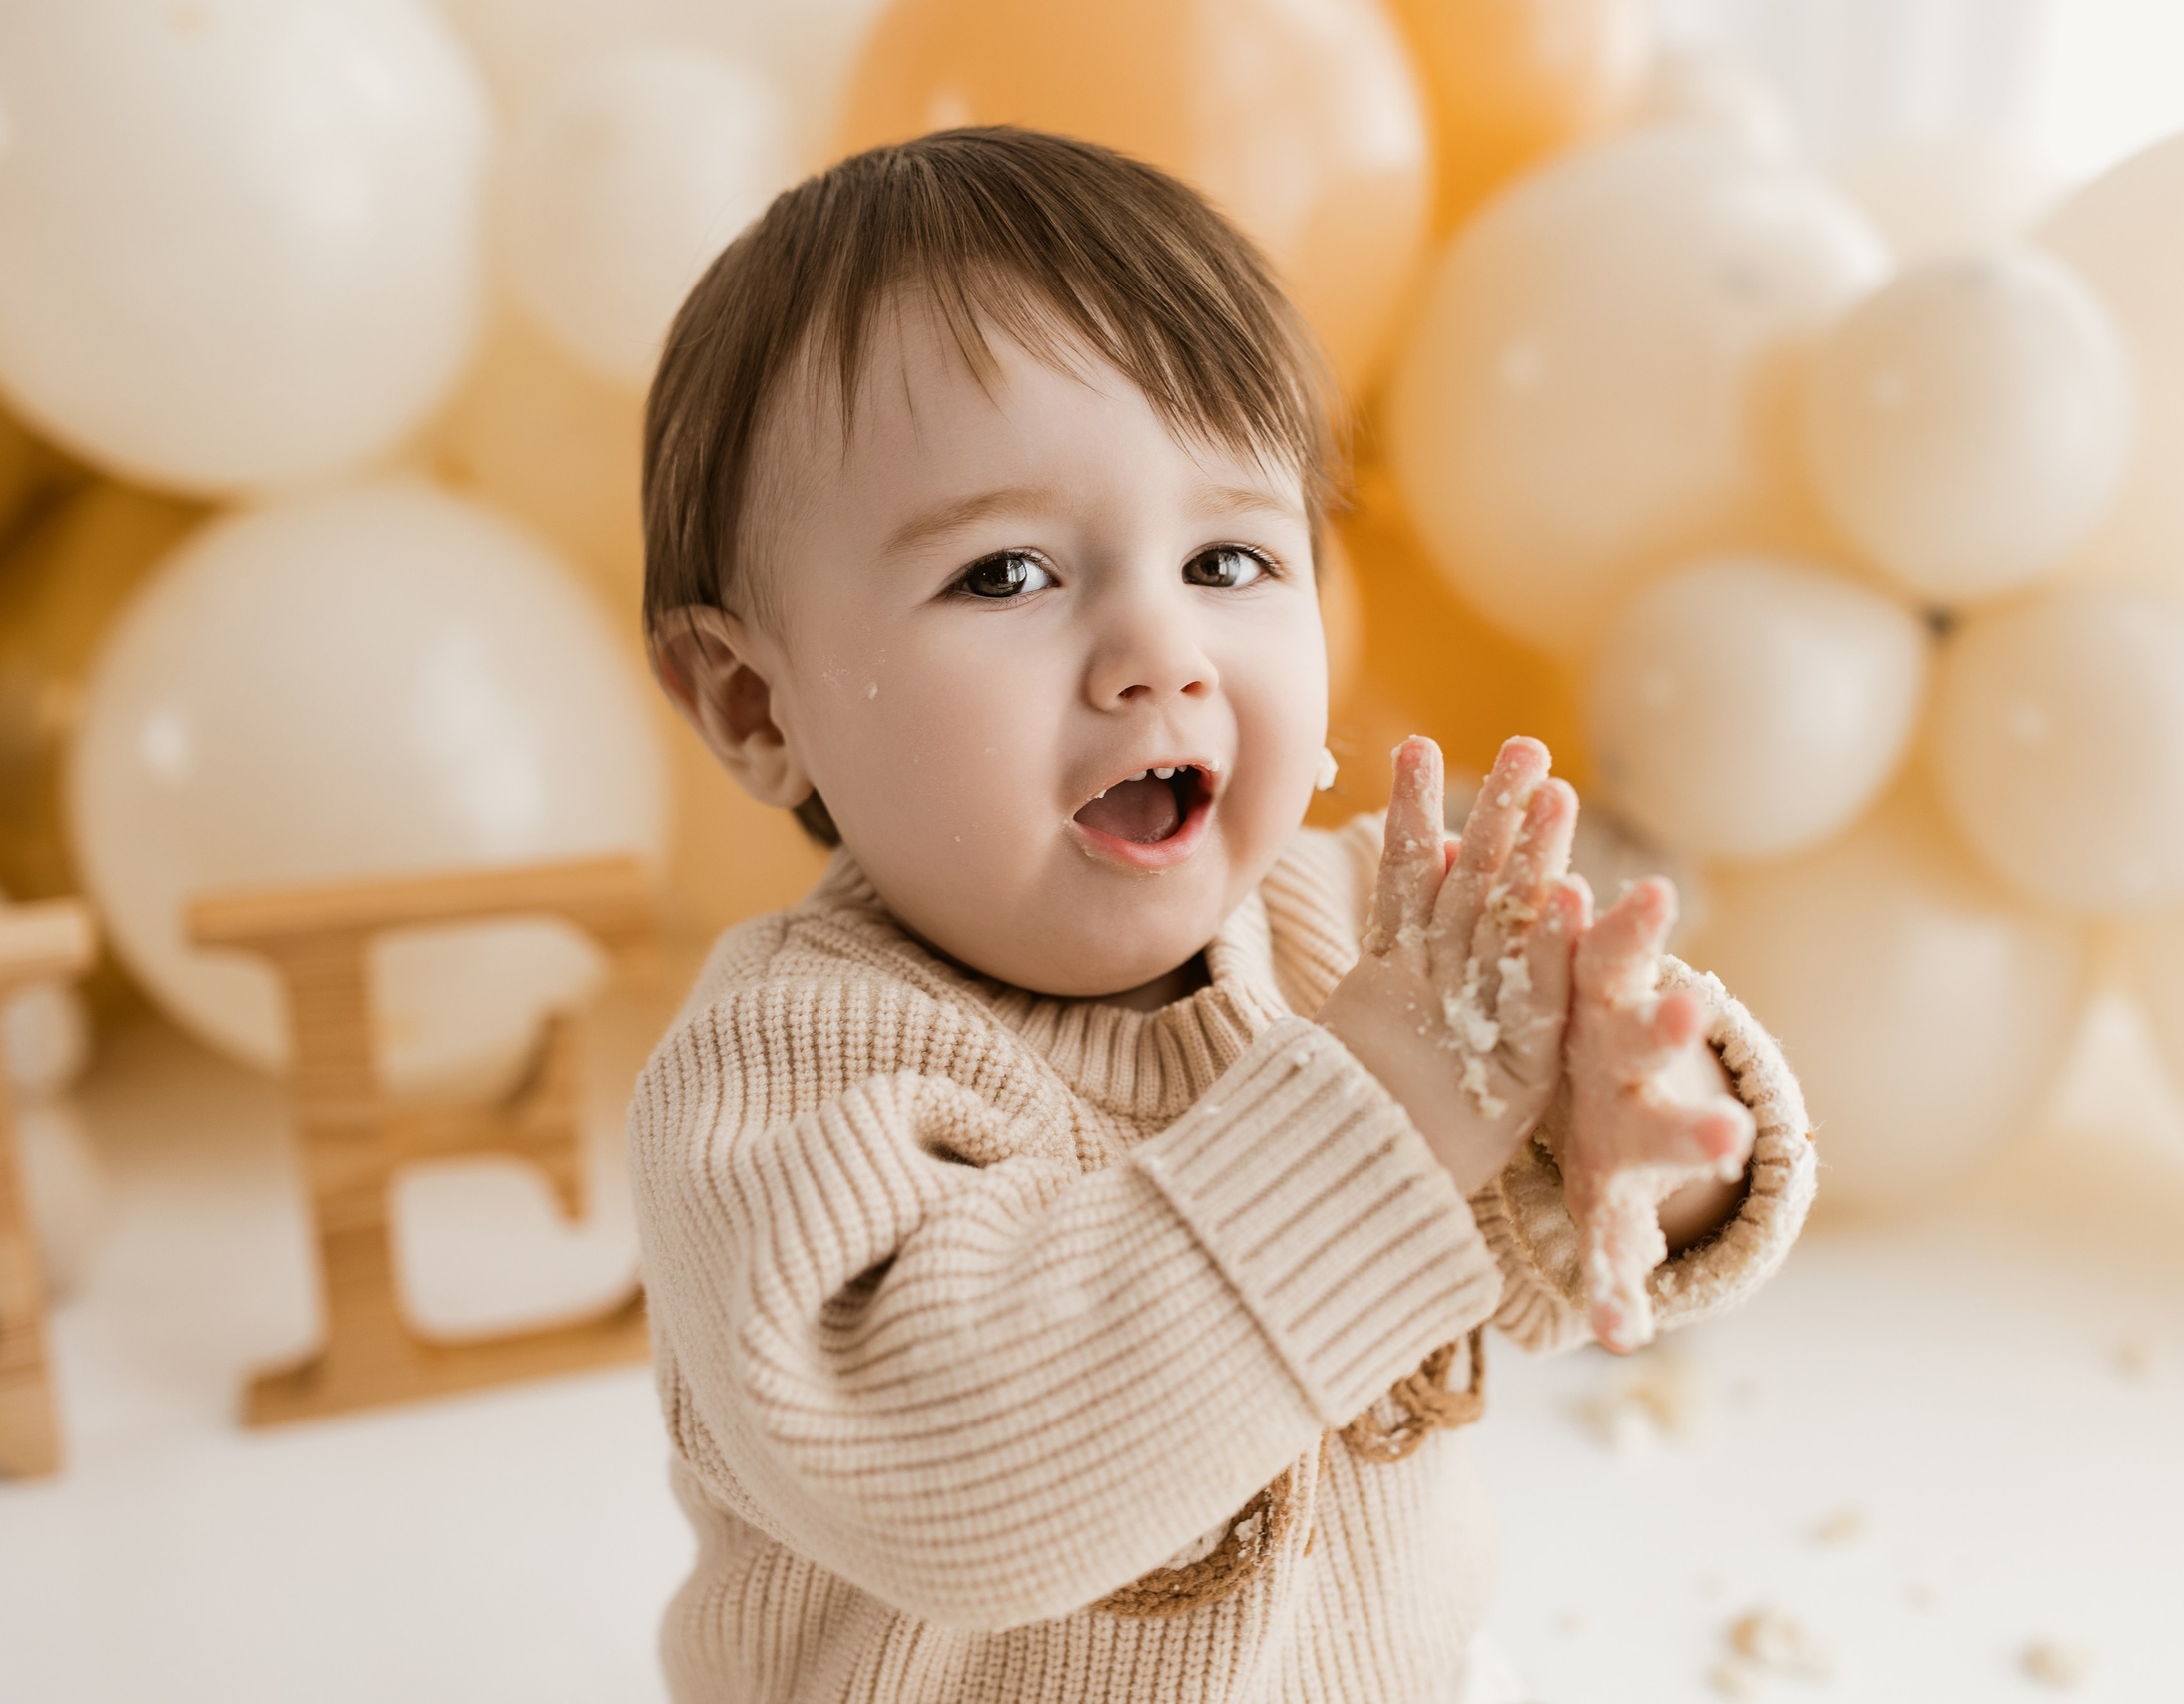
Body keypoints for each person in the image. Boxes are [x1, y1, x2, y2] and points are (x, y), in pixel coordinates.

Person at [634, 125, 1816, 1704]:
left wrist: (1635, 1136)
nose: (1160, 653)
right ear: (751, 699)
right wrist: (1387, 1113)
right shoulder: (784, 1081)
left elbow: (1537, 1246)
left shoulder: (1357, 935)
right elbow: (962, 1473)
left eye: (1229, 556)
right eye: (1006, 575)